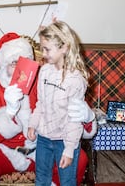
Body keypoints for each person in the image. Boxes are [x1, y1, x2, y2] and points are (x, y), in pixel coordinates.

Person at [0, 32, 96, 186]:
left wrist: (87, 118)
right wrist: (9, 113)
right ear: (2, 66)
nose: (21, 69)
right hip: (3, 152)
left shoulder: (45, 80)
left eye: (24, 62)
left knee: (78, 159)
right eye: (14, 63)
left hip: (42, 151)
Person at [27, 21, 89, 185]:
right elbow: (40, 103)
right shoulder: (45, 71)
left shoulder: (76, 80)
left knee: (67, 181)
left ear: (65, 48)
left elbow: (74, 120)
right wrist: (33, 125)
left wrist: (69, 150)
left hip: (65, 141)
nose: (43, 53)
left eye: (47, 49)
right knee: (41, 179)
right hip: (43, 139)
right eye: (42, 48)